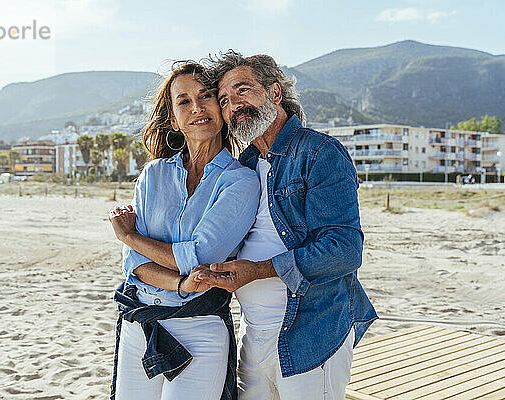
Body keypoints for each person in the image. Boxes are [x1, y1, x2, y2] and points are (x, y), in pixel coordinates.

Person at [195, 51, 378, 399]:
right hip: (252, 333)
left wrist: (260, 270)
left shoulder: (319, 152)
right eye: (224, 100)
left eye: (243, 90)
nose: (234, 105)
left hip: (308, 335)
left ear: (275, 93)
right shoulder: (244, 165)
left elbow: (344, 250)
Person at [108, 62, 259, 400]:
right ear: (173, 118)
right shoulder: (153, 175)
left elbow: (201, 257)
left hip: (199, 328)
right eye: (184, 101)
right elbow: (133, 265)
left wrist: (131, 236)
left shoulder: (240, 181)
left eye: (206, 96)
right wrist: (179, 282)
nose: (197, 108)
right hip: (140, 324)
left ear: (221, 108)